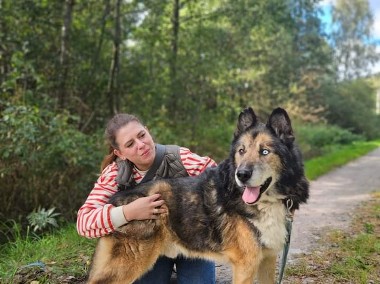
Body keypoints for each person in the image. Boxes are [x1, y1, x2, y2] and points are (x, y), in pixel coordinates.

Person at [77, 113, 216, 284]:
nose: (141, 145)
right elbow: (84, 223)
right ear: (119, 153)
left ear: (148, 131)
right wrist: (129, 212)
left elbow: (222, 181)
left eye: (142, 135)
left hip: (192, 240)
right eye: (130, 144)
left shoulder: (180, 158)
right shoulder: (115, 174)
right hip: (148, 243)